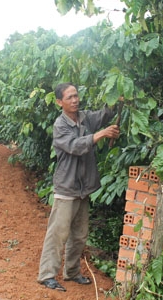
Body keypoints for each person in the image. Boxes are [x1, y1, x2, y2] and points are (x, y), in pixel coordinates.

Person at [37, 82, 121, 291]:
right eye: (69, 98)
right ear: (59, 102)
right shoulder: (60, 125)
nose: (74, 100)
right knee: (58, 233)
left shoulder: (85, 117)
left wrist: (117, 100)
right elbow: (75, 146)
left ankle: (72, 272)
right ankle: (47, 275)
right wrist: (100, 134)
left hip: (84, 188)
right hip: (67, 187)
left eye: (76, 96)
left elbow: (103, 115)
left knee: (80, 234)